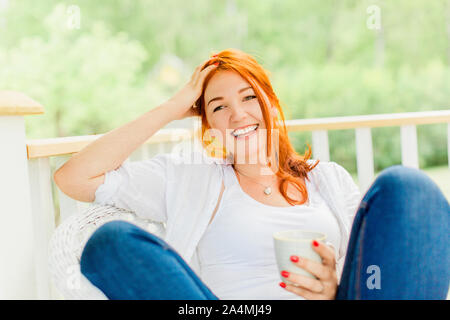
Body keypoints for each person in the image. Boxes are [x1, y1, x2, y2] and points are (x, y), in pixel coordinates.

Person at [54, 48, 450, 300]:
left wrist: (333, 290)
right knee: (111, 242)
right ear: (208, 125)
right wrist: (173, 108)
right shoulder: (189, 177)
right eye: (218, 106)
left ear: (272, 106)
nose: (238, 114)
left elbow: (365, 274)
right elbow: (75, 178)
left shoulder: (327, 180)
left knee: (407, 187)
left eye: (248, 98)